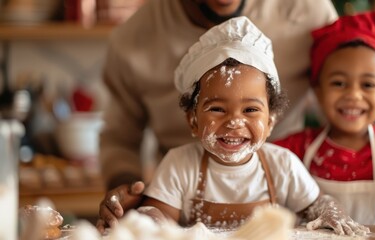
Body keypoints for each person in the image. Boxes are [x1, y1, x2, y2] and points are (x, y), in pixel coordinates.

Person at [98, 0, 338, 229]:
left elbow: (318, 205)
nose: (234, 121)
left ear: (271, 120)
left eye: (251, 110)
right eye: (217, 109)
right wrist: (135, 203)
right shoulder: (179, 166)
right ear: (192, 120)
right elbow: (120, 141)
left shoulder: (283, 165)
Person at [274, 11, 375, 225]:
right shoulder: (299, 146)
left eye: (367, 85)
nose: (353, 95)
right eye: (338, 83)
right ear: (318, 91)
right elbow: (262, 161)